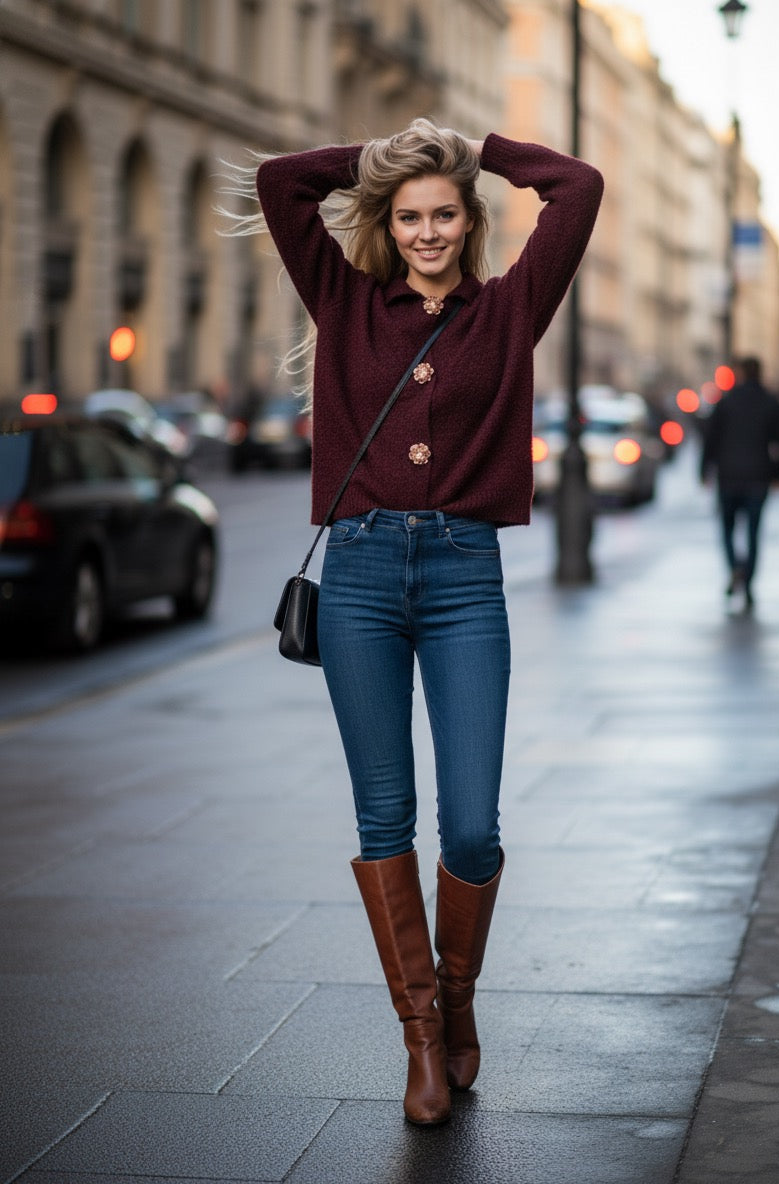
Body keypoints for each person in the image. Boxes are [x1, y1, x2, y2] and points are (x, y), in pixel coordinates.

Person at [255, 119, 603, 1126]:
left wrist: (476, 145)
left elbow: (574, 186)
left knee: (473, 825)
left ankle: (458, 998)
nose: (425, 232)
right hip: (360, 574)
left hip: (461, 578)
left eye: (443, 212)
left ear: (469, 218)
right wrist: (386, 150)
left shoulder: (509, 309)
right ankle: (420, 1039)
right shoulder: (344, 300)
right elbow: (283, 183)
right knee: (381, 816)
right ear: (386, 223)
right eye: (408, 216)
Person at [700, 356, 779, 610]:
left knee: (727, 529)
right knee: (754, 532)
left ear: (741, 374)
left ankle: (735, 567)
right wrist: (776, 474)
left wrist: (704, 470)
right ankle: (748, 581)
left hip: (729, 476)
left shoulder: (726, 402)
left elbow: (710, 439)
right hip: (758, 476)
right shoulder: (770, 402)